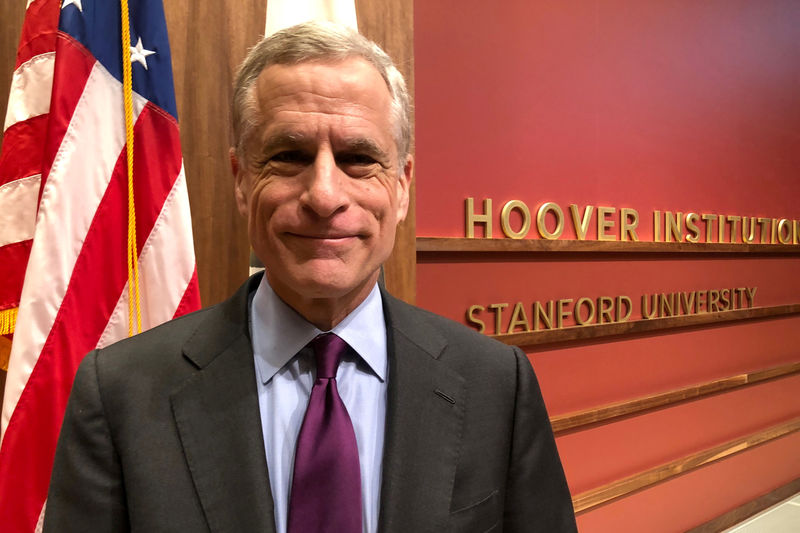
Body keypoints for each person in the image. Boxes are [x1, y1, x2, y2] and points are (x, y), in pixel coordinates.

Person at [44, 22, 577, 532]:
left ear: (403, 185)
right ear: (241, 179)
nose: (324, 195)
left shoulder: (496, 384)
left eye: (358, 158)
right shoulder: (120, 394)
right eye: (290, 156)